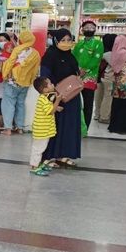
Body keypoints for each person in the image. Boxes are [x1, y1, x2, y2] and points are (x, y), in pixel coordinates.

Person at [40, 29, 81, 168]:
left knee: (69, 126)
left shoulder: (71, 56)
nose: (66, 43)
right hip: (56, 97)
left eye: (69, 40)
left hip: (72, 97)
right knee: (53, 126)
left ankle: (63, 154)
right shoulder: (50, 56)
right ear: (56, 40)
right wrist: (51, 97)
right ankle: (48, 156)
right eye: (63, 40)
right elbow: (44, 79)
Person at [1, 31, 41, 135]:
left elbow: (10, 63)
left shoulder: (18, 49)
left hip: (12, 81)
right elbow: (35, 69)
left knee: (8, 104)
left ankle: (8, 129)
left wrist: (4, 75)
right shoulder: (36, 53)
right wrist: (31, 80)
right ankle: (19, 128)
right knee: (21, 104)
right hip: (25, 83)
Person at [73, 20, 104, 128]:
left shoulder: (98, 44)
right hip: (76, 76)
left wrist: (84, 70)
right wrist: (77, 70)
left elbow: (96, 60)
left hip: (90, 78)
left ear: (95, 30)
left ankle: (86, 127)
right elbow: (73, 58)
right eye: (86, 27)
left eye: (91, 27)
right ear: (82, 29)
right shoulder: (79, 44)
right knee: (75, 102)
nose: (89, 29)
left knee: (88, 103)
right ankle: (76, 125)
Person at [30, 77, 63, 176]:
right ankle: (34, 167)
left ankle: (37, 164)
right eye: (50, 83)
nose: (52, 84)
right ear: (45, 89)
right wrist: (58, 101)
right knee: (38, 149)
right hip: (41, 130)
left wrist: (56, 107)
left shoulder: (46, 97)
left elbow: (49, 109)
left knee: (41, 148)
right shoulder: (43, 99)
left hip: (44, 129)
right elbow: (50, 112)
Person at [94, 34, 116, 124]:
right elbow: (116, 66)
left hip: (98, 76)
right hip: (107, 77)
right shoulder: (110, 54)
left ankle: (97, 114)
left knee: (98, 96)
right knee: (107, 97)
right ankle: (104, 116)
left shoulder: (99, 50)